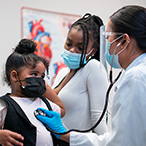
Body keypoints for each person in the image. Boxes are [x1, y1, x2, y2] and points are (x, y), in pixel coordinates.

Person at [36, 5, 146, 146]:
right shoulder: (137, 74)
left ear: (123, 41)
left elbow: (119, 140)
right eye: (68, 43)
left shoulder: (136, 77)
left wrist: (64, 133)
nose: (107, 44)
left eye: (108, 37)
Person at [51, 13, 109, 135]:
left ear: (92, 51)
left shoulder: (93, 68)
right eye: (69, 44)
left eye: (80, 47)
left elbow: (98, 120)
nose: (72, 50)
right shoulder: (62, 72)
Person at [0, 39, 65, 146]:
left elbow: (62, 110)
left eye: (42, 76)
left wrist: (44, 85)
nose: (40, 80)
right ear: (14, 76)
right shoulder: (4, 105)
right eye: (34, 74)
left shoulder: (44, 103)